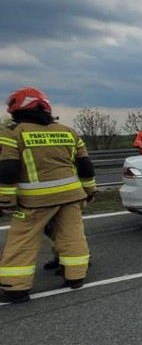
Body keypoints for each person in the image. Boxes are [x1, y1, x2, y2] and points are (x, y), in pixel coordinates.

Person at [0, 87, 96, 304]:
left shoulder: (12, 133)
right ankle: (75, 276)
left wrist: (6, 200)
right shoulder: (68, 131)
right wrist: (90, 191)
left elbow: (8, 171)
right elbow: (86, 167)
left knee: (22, 241)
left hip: (34, 201)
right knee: (72, 235)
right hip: (71, 195)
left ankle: (15, 287)